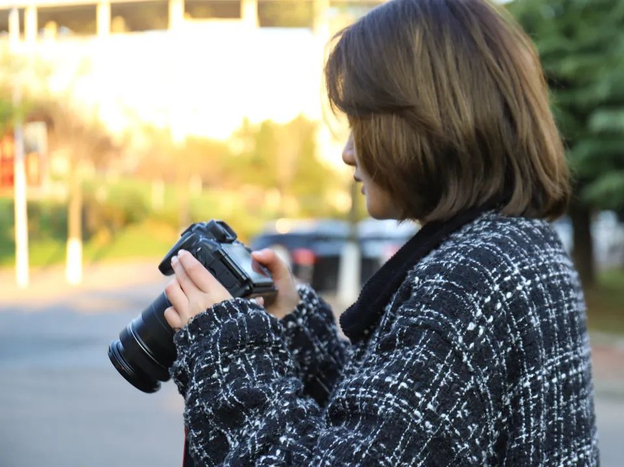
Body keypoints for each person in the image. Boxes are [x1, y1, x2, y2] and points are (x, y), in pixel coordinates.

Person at [162, 0, 599, 465]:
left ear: (425, 123)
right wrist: (295, 326)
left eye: (360, 123)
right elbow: (397, 431)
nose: (348, 152)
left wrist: (227, 349)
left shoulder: (468, 280)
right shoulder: (519, 246)